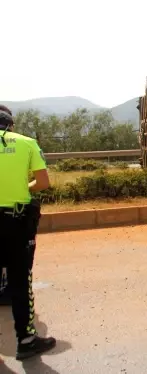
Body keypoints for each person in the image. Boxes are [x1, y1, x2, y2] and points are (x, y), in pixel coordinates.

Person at [0, 105, 57, 360]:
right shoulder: (26, 143)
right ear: (11, 125)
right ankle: (26, 340)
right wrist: (23, 189)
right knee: (21, 281)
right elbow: (43, 182)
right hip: (16, 221)